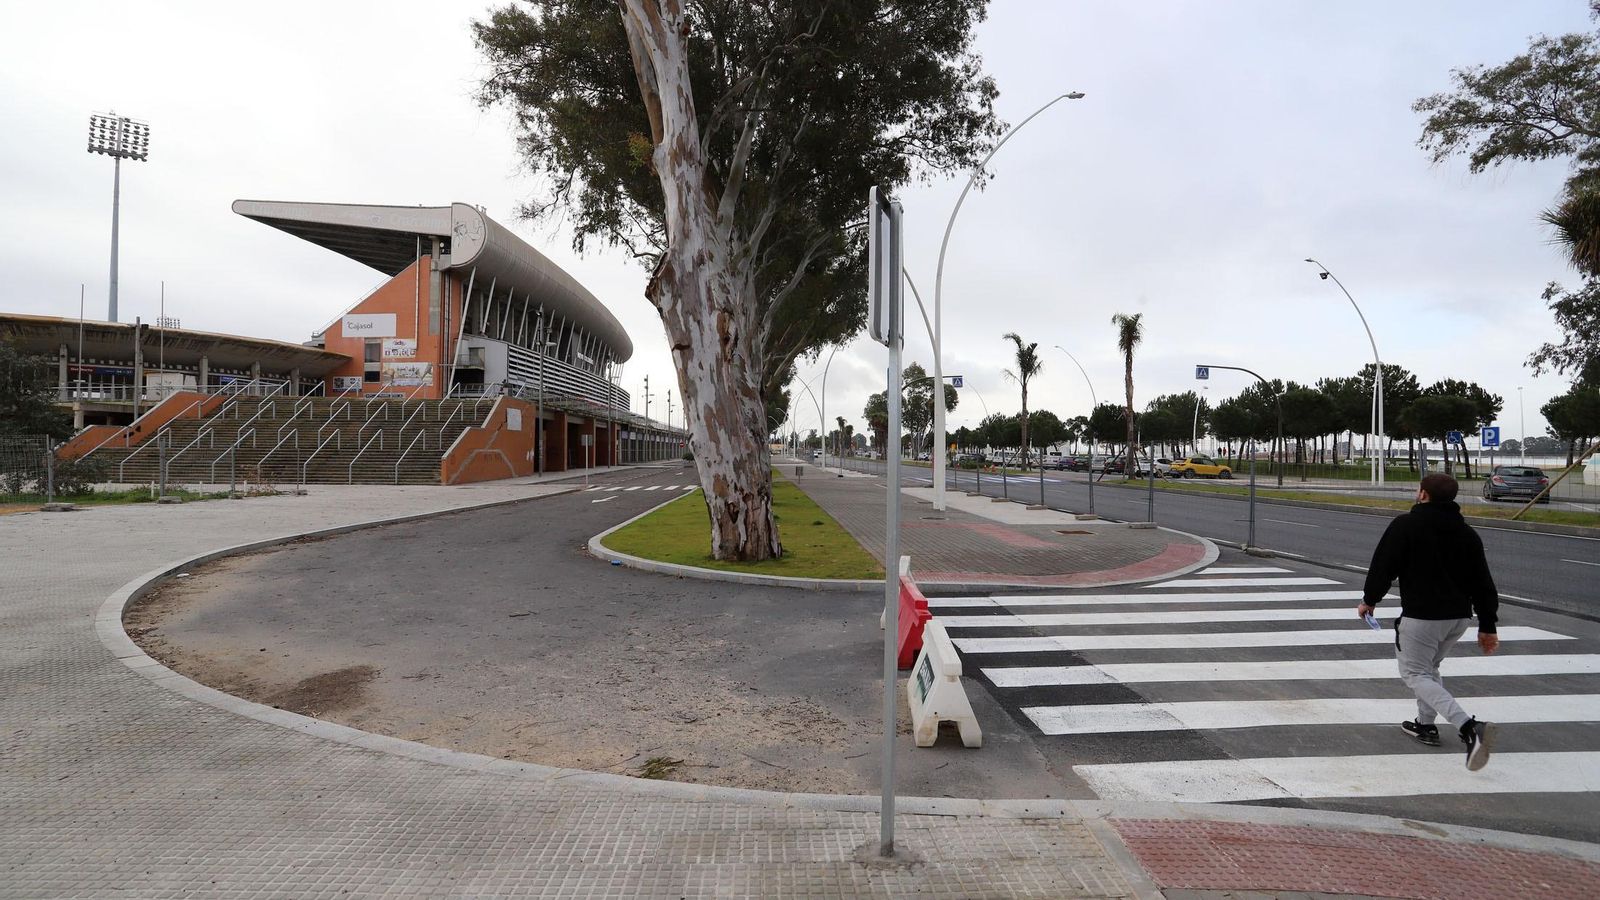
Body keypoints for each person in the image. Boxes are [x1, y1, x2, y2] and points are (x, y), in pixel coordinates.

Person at [1360, 472, 1500, 771]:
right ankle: (1425, 725)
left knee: (1415, 674)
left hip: (1423, 617)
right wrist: (1488, 625)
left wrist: (1370, 599)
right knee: (1430, 669)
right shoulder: (1467, 533)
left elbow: (1383, 566)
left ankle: (1468, 726)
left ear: (1423, 494)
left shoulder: (1406, 526)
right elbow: (1483, 582)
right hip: (1459, 619)